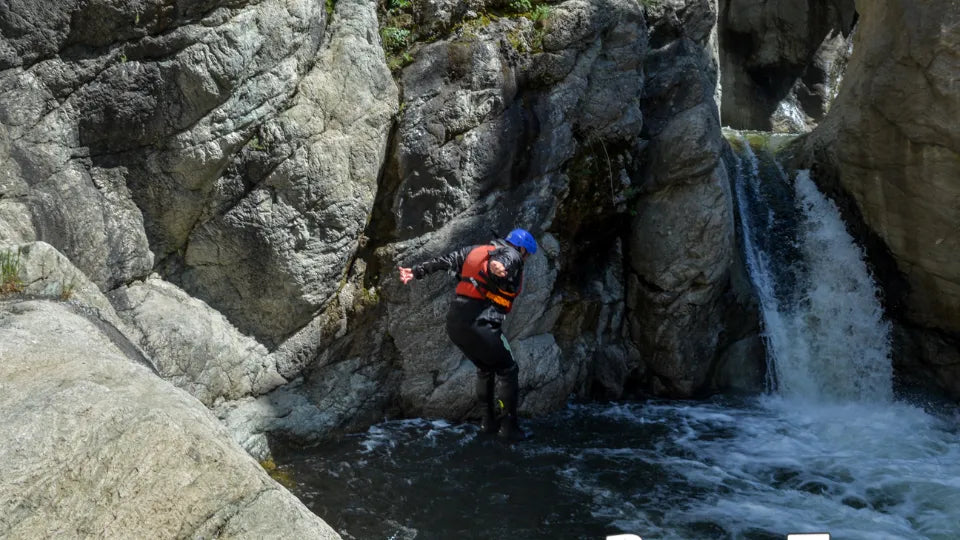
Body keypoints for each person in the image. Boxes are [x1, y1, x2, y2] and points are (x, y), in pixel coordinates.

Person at [398, 228, 538, 441]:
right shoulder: (513, 254)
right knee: (508, 369)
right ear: (521, 248)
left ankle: (487, 423)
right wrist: (499, 266)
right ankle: (509, 428)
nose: (525, 258)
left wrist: (416, 271)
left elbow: (446, 260)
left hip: (455, 325)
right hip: (481, 324)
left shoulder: (476, 250)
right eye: (527, 253)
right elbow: (506, 260)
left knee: (485, 367)